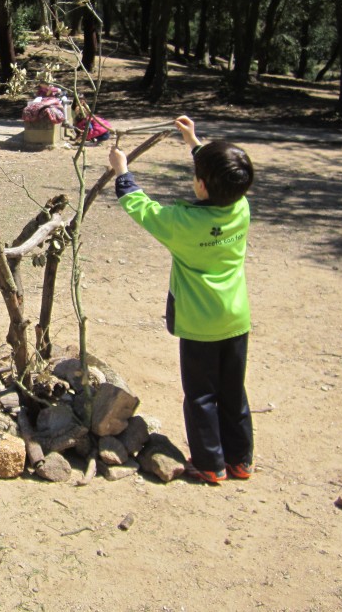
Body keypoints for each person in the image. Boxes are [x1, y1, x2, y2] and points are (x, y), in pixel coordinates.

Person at [108, 116, 255, 485]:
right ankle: (240, 460)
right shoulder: (240, 208)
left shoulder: (182, 223)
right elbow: (225, 177)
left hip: (199, 324)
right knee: (233, 392)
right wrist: (194, 143)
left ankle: (210, 464)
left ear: (201, 184)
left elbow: (140, 206)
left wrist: (122, 171)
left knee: (201, 395)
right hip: (235, 319)